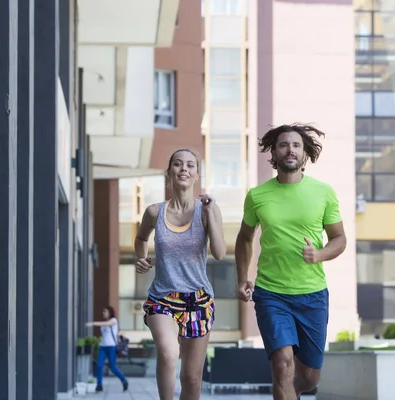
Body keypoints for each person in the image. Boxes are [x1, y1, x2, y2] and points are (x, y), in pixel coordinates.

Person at [235, 124, 347, 400]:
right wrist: (242, 278)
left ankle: (289, 392)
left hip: (312, 295)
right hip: (272, 293)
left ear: (305, 154)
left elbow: (339, 239)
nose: (290, 150)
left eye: (296, 145)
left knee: (308, 378)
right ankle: (284, 387)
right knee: (282, 364)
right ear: (274, 152)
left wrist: (319, 254)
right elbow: (244, 239)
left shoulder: (323, 193)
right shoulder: (257, 196)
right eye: (283, 145)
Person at [134, 149, 227, 400]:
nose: (184, 168)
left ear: (196, 175)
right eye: (177, 164)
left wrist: (209, 214)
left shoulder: (207, 210)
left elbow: (219, 252)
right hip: (162, 298)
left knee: (191, 378)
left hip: (199, 301)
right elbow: (141, 238)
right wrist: (140, 258)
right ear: (170, 173)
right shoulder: (155, 212)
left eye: (190, 165)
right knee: (168, 352)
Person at [85, 306, 129, 393]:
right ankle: (99, 385)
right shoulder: (106, 322)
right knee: (99, 365)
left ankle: (124, 380)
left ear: (109, 312)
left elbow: (108, 324)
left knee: (113, 368)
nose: (103, 313)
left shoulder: (114, 321)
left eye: (104, 311)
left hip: (111, 347)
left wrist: (93, 323)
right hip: (103, 347)